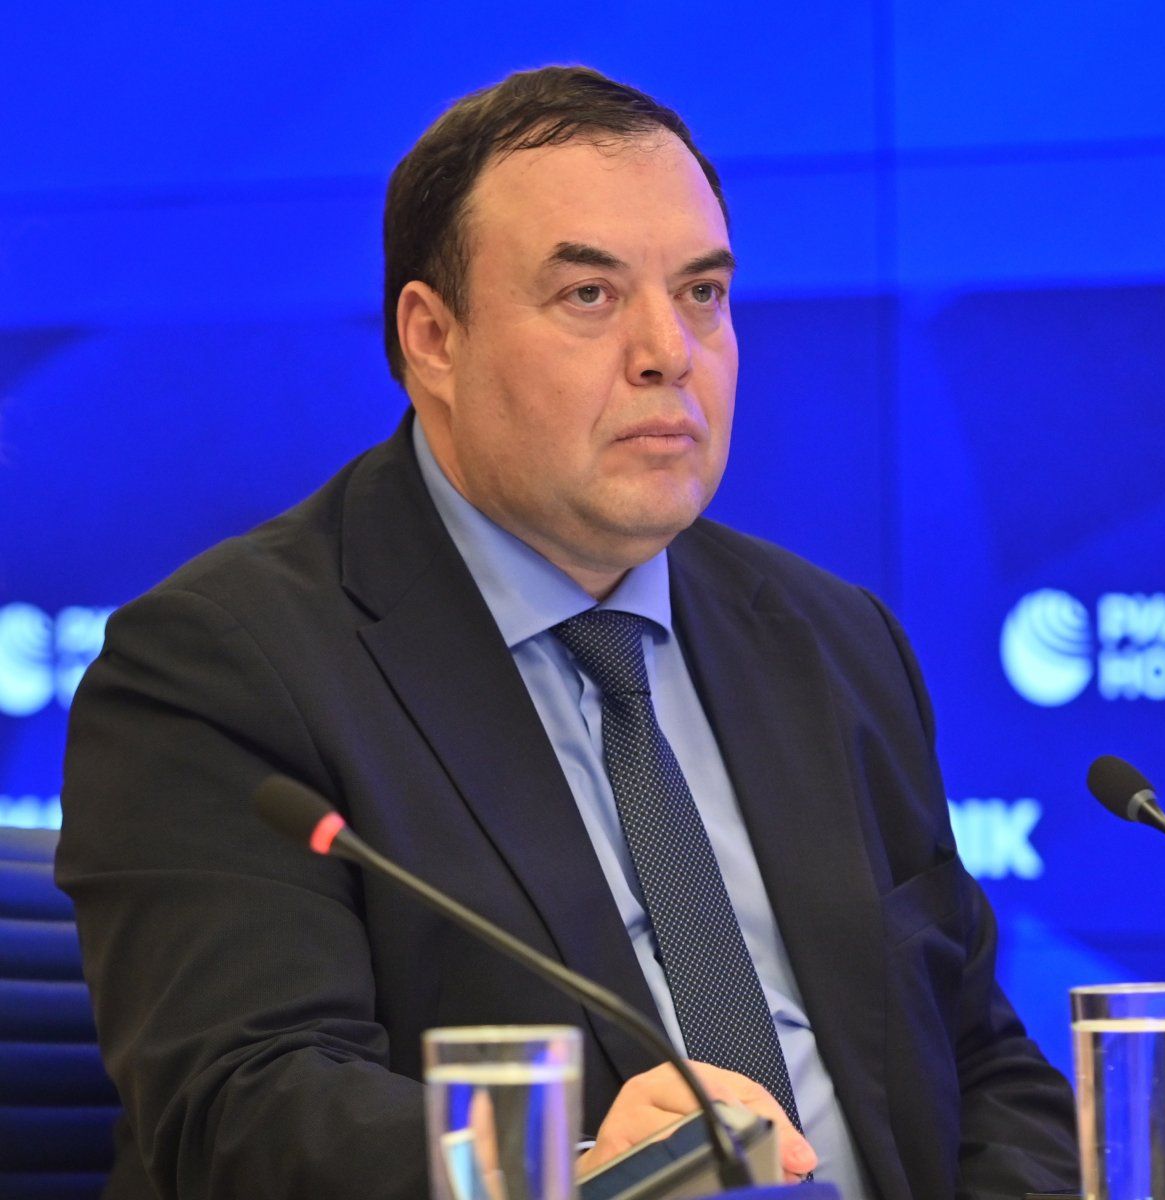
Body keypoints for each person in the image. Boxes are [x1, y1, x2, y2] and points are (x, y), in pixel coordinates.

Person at [56, 65, 1078, 1200]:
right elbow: (245, 1107)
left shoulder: (834, 643)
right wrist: (566, 1170)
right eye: (590, 294)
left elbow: (984, 1064)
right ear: (432, 338)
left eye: (702, 292)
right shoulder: (221, 668)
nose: (668, 350)